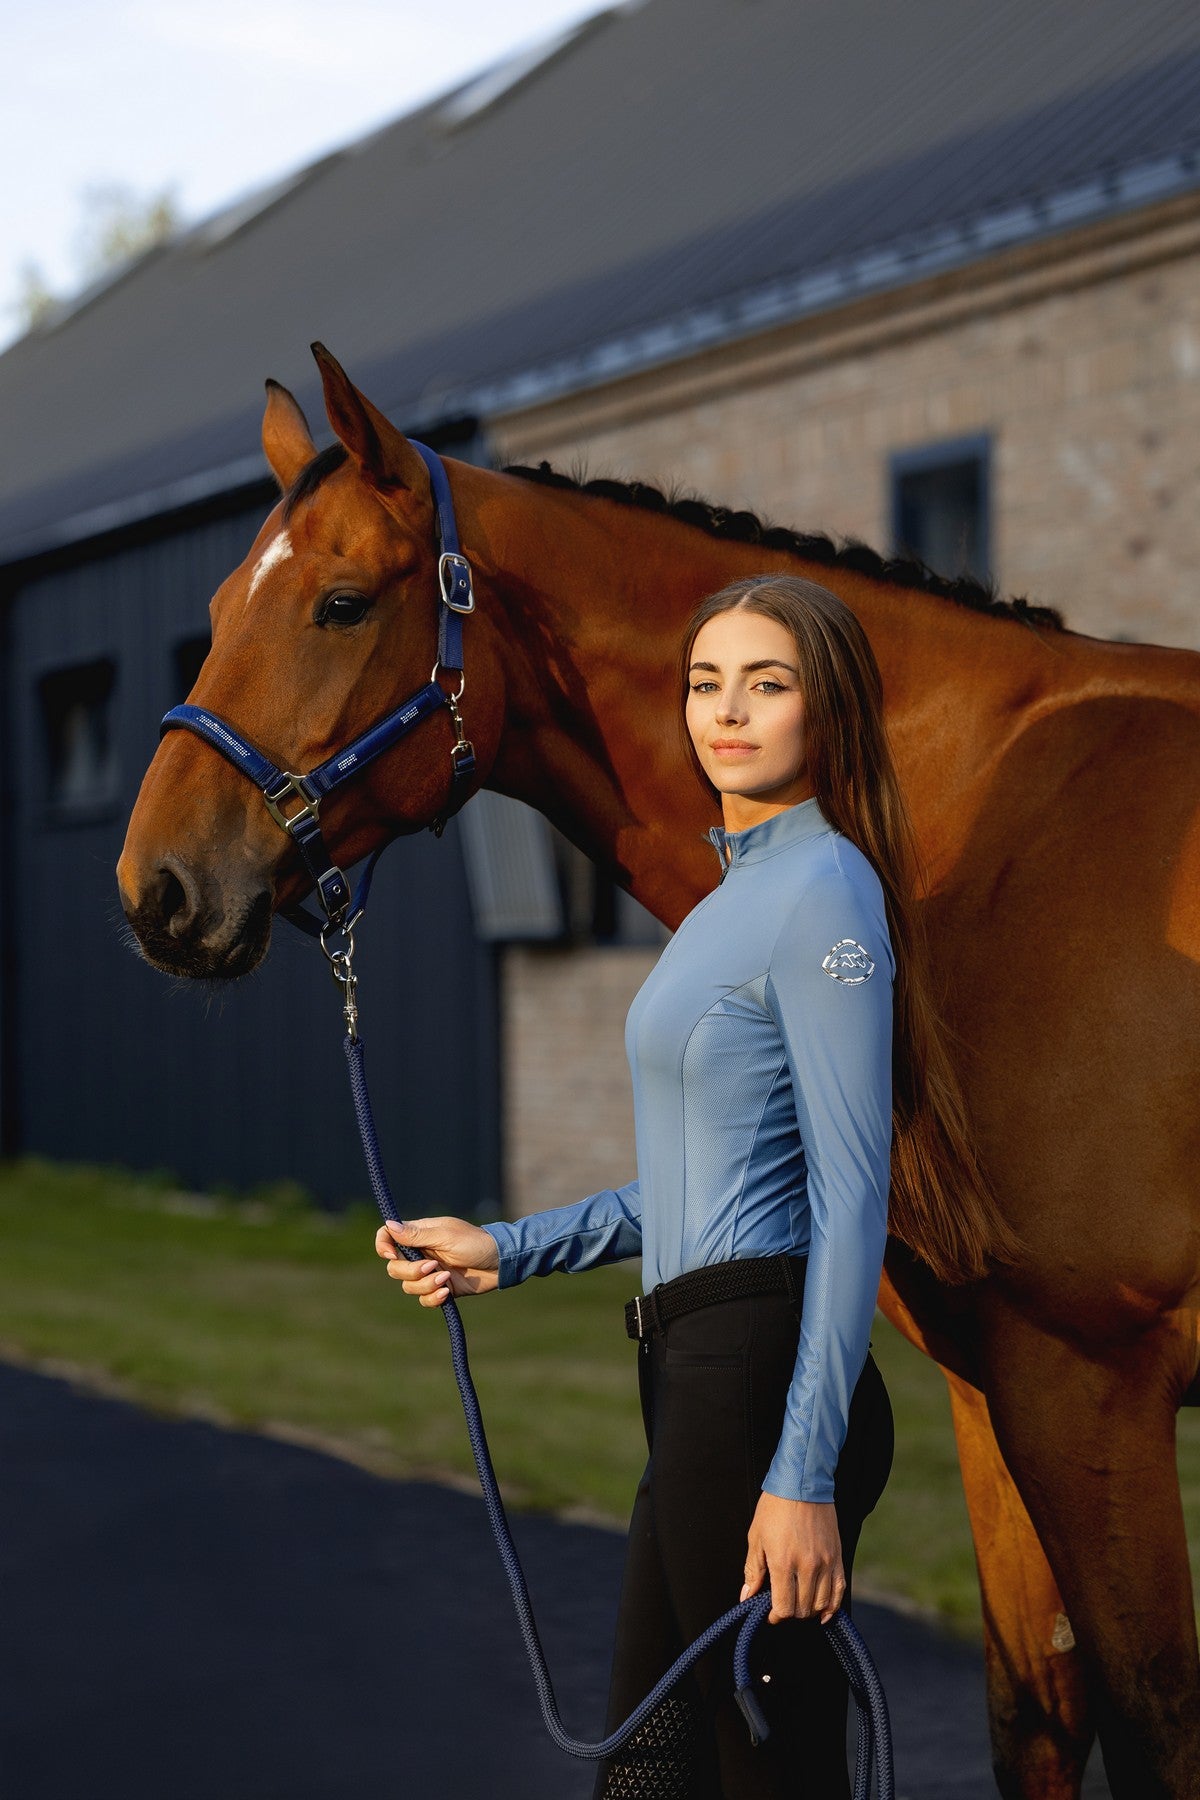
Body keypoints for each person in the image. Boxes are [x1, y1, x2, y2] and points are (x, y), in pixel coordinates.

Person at [375, 575, 1020, 1798]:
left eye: (765, 684)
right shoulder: (734, 899)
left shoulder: (827, 897)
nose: (725, 711)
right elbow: (690, 1185)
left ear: (824, 713)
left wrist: (803, 1475)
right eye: (704, 682)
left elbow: (848, 1198)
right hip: (698, 1374)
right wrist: (505, 1249)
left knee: (750, 1764)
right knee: (657, 1758)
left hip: (757, 1379)